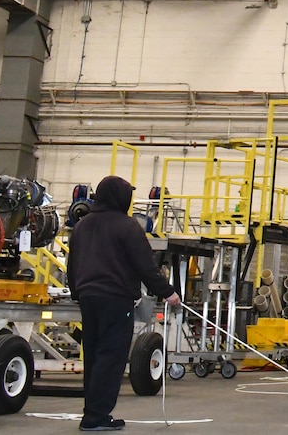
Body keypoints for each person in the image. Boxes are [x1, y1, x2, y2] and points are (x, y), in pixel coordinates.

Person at [68, 176, 180, 433]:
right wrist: (167, 292)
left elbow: (72, 264)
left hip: (88, 299)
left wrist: (77, 292)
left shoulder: (82, 227)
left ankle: (92, 413)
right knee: (111, 357)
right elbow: (145, 266)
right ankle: (96, 416)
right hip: (116, 300)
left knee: (94, 356)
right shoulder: (127, 227)